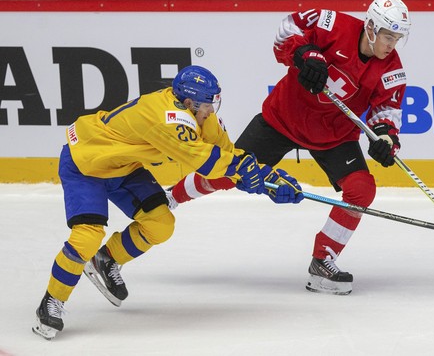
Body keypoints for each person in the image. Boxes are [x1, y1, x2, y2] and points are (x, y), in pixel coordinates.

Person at [32, 65, 303, 340]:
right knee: (87, 236)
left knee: (161, 223)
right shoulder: (165, 117)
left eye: (213, 102)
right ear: (189, 102)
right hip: (86, 164)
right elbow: (207, 162)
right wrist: (244, 172)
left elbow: (229, 155)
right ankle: (52, 301)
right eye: (207, 104)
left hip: (124, 167)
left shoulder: (202, 116)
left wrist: (269, 178)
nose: (211, 110)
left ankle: (107, 259)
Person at [167, 0, 411, 295]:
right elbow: (288, 28)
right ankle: (170, 198)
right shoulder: (333, 24)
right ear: (371, 27)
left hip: (334, 135)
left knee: (362, 189)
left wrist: (385, 137)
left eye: (397, 38)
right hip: (282, 119)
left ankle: (323, 260)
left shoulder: (392, 68)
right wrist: (305, 53)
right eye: (388, 36)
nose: (392, 45)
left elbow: (386, 110)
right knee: (227, 173)